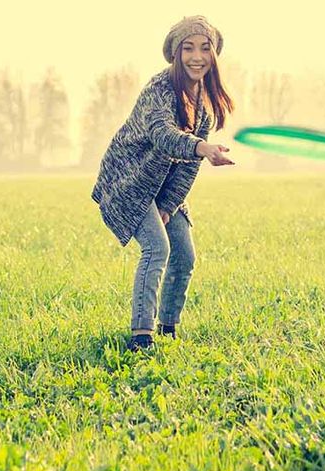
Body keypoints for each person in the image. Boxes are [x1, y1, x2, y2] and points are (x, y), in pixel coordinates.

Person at [91, 15, 235, 351]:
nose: (196, 56)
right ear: (175, 52)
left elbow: (187, 169)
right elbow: (163, 136)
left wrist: (169, 206)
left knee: (184, 255)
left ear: (213, 55)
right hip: (129, 183)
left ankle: (168, 327)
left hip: (163, 189)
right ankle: (141, 336)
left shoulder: (204, 108)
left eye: (204, 48)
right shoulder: (158, 90)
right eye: (188, 48)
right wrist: (202, 147)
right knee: (157, 248)